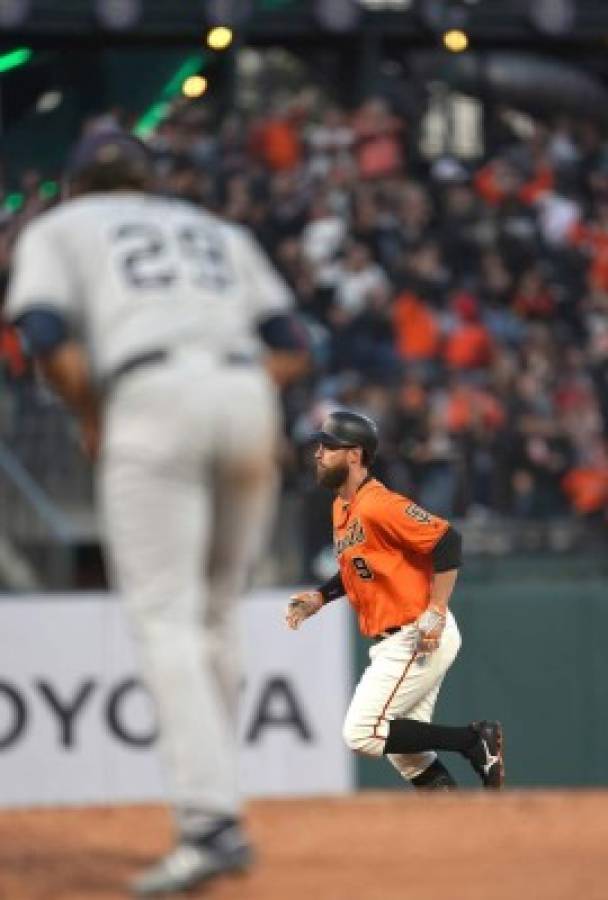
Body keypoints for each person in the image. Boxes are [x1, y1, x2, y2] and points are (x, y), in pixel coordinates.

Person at [6, 130, 309, 896]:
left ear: (77, 185)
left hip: (147, 395)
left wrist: (94, 413)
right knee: (217, 614)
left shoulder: (60, 227)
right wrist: (239, 406)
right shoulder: (216, 229)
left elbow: (42, 333)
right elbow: (291, 343)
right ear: (150, 183)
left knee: (166, 619)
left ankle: (209, 823)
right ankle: (220, 801)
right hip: (247, 393)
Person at [285, 410, 504, 791]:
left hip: (416, 633)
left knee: (362, 733)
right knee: (407, 752)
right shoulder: (342, 507)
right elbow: (358, 566)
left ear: (354, 455)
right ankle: (458, 823)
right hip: (397, 639)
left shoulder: (377, 503)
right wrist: (320, 596)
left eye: (328, 446)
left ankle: (473, 741)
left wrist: (436, 610)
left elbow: (447, 540)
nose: (318, 453)